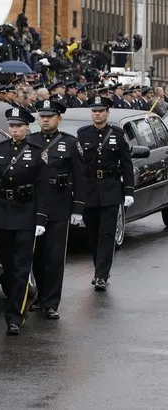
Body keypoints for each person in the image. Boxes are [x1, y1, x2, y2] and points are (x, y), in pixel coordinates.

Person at [0, 107, 48, 335]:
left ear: (27, 127)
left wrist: (40, 217)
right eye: (12, 126)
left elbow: (41, 188)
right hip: (2, 212)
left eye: (18, 126)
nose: (15, 130)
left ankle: (13, 317)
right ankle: (21, 296)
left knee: (21, 267)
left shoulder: (37, 151)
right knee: (7, 267)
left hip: (26, 213)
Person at [27, 100, 85, 319]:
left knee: (54, 256)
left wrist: (78, 207)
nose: (45, 119)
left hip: (59, 205)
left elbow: (80, 177)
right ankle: (40, 295)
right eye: (42, 115)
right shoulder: (30, 141)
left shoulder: (70, 143)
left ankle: (51, 302)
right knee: (37, 256)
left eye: (50, 116)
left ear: (59, 119)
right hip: (33, 207)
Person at [76, 97, 134, 291]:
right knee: (93, 234)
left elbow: (126, 164)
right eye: (94, 111)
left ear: (107, 113)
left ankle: (101, 274)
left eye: (101, 111)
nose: (97, 114)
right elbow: (78, 165)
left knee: (107, 234)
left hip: (110, 189)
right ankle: (98, 268)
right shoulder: (82, 134)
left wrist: (128, 191)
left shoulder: (118, 134)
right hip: (89, 190)